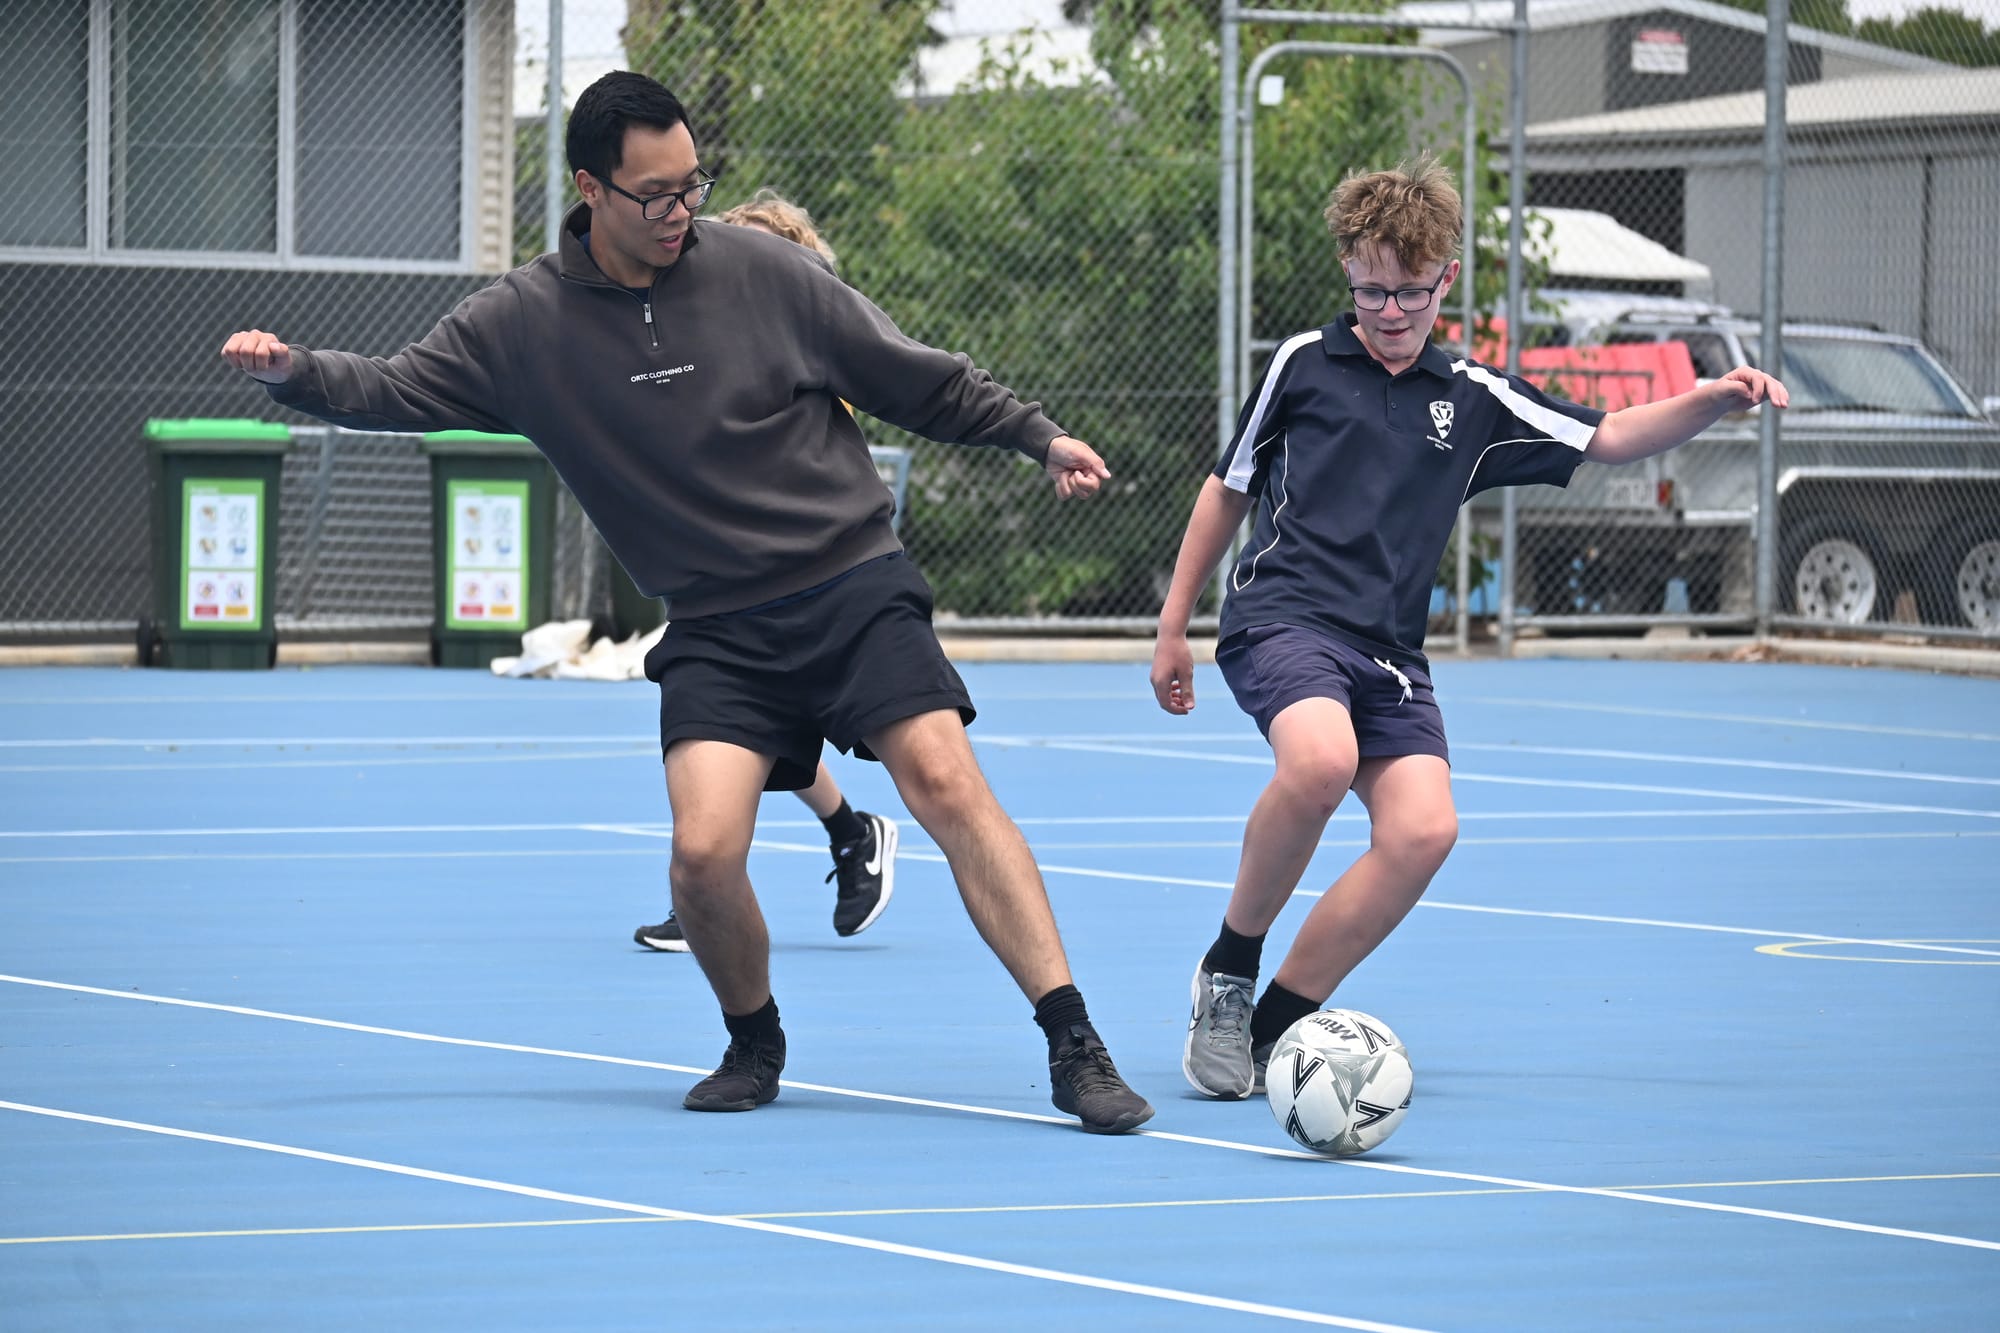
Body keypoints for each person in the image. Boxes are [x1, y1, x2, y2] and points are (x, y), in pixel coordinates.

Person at [221, 71, 1153, 1134]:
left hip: (850, 583)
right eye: (653, 194)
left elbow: (913, 377)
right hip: (719, 627)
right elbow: (393, 387)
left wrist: (1037, 435)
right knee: (702, 856)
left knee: (945, 781)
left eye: (691, 186)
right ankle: (753, 1037)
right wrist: (293, 372)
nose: (679, 212)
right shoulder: (522, 324)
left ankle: (1072, 1041)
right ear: (589, 189)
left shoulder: (766, 271)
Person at [1152, 156, 1787, 1100]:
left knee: (1425, 831)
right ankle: (1230, 975)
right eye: (1372, 291)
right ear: (1347, 275)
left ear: (1445, 279)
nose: (1391, 311)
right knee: (1320, 763)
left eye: (1410, 291)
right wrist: (1173, 625)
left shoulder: (1474, 396)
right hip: (1283, 617)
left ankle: (1279, 1028)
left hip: (1390, 654)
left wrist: (1713, 398)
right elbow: (1227, 488)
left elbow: (1610, 434)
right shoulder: (1300, 365)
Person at [634, 191, 889, 954]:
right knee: (720, 730)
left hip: (816, 572)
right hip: (721, 576)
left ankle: (844, 834)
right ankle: (831, 837)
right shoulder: (687, 337)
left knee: (771, 727)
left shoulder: (804, 344)